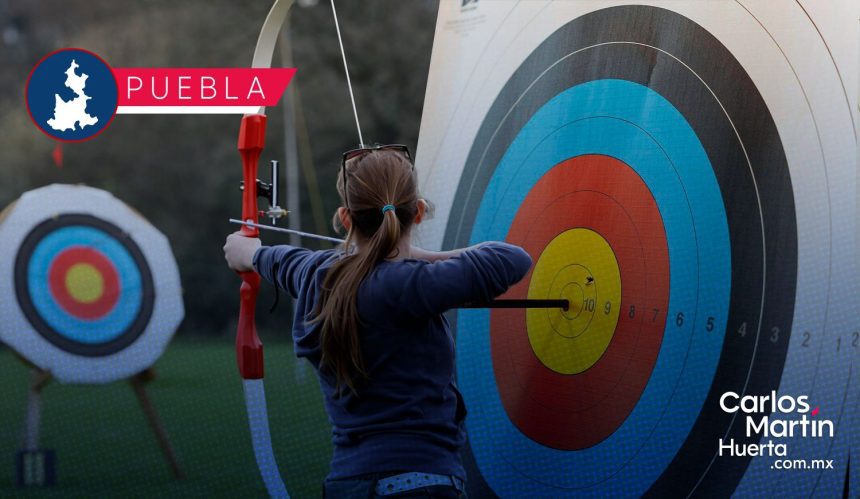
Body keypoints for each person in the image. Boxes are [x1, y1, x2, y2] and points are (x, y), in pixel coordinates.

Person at [223, 145, 532, 498]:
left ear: (344, 218)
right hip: (421, 484)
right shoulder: (413, 284)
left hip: (346, 484)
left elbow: (248, 253)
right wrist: (420, 258)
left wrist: (249, 250)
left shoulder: (311, 272)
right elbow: (510, 258)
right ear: (417, 212)